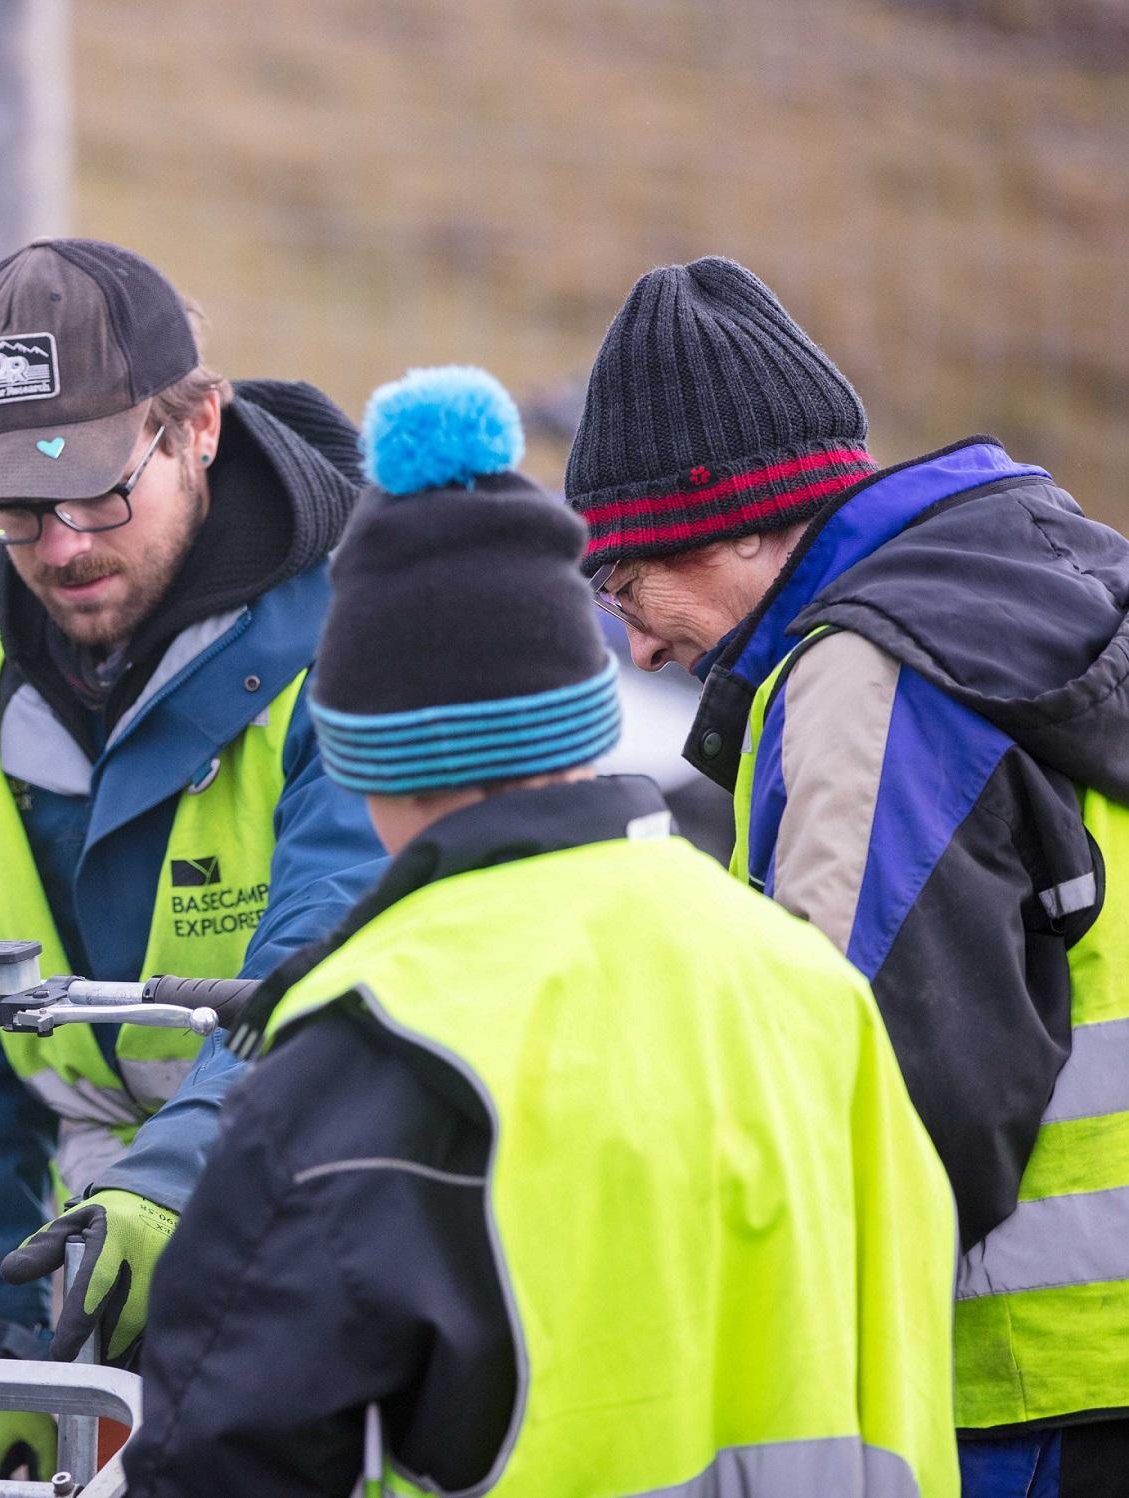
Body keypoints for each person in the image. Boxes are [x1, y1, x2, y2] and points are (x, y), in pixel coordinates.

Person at [126, 366, 959, 1498]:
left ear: (365, 747)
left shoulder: (365, 1050)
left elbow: (224, 1456)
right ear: (586, 705)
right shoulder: (807, 988)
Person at [566, 257, 1129, 1496]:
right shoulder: (1047, 596)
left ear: (732, 525)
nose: (637, 642)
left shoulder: (870, 679)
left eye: (628, 584)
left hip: (1025, 1381)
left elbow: (865, 1077)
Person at [0, 239, 384, 1477]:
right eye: (10, 510)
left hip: (334, 1199)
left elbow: (321, 975)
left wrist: (168, 1190)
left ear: (199, 426)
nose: (56, 548)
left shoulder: (367, 631)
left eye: (97, 490)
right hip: (101, 1225)